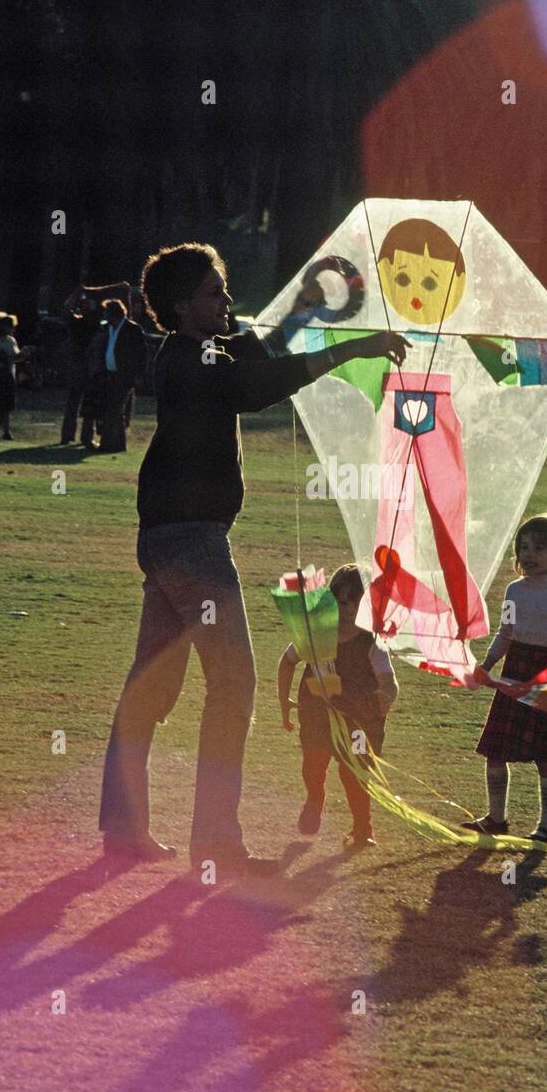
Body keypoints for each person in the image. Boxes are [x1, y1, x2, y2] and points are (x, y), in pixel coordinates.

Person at [97, 241, 409, 869]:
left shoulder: (205, 347)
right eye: (214, 292)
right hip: (191, 542)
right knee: (234, 684)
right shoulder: (186, 357)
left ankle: (123, 830)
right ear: (181, 306)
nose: (227, 300)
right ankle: (214, 842)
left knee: (150, 690)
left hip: (170, 536)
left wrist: (243, 326)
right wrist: (352, 347)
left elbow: (255, 361)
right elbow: (261, 385)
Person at [463, 513, 547, 843]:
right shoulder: (514, 591)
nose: (529, 555)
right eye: (524, 547)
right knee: (496, 750)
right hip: (514, 672)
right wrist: (487, 665)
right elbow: (505, 633)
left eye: (540, 548)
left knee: (544, 756)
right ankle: (496, 818)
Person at [277, 563, 399, 848]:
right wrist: (284, 703)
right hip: (317, 709)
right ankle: (315, 797)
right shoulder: (316, 633)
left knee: (354, 771)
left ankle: (362, 828)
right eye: (340, 599)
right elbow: (288, 661)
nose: (346, 607)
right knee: (314, 760)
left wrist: (386, 696)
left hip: (360, 715)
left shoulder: (373, 642)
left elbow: (388, 680)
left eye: (354, 600)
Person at [60, 283, 124, 446]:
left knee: (78, 403)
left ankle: (70, 436)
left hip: (83, 366)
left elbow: (67, 308)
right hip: (87, 366)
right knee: (85, 403)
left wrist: (78, 292)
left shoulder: (85, 323)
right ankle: (84, 437)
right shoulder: (92, 325)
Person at [94, 297, 147, 453]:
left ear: (113, 314)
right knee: (117, 412)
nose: (104, 316)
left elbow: (142, 354)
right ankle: (119, 445)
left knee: (114, 409)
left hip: (125, 376)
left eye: (106, 313)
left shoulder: (132, 329)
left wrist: (138, 375)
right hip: (110, 374)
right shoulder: (109, 329)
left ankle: (106, 444)